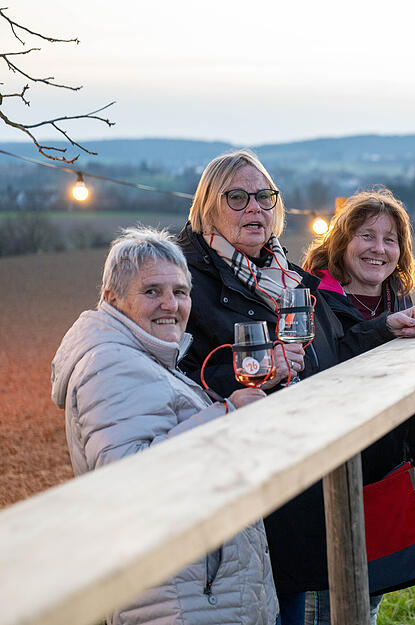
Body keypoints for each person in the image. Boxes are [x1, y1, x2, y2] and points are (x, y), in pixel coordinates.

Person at [175, 150, 415, 625]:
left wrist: (393, 325)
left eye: (264, 196)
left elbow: (331, 351)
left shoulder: (284, 273)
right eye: (237, 197)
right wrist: (254, 371)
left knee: (296, 602)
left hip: (298, 476)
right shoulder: (187, 276)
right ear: (208, 206)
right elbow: (177, 371)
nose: (255, 208)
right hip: (240, 483)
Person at [51, 227, 278, 625]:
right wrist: (226, 416)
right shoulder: (111, 364)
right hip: (179, 600)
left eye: (180, 292)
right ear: (112, 298)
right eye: (151, 291)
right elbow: (129, 475)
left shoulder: (146, 359)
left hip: (197, 590)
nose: (170, 304)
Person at [301, 187, 415, 624]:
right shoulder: (312, 299)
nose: (378, 248)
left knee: (370, 599)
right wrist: (385, 328)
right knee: (329, 604)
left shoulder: (395, 298)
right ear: (340, 241)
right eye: (366, 235)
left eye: (390, 239)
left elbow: (396, 326)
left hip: (391, 474)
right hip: (332, 487)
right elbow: (334, 357)